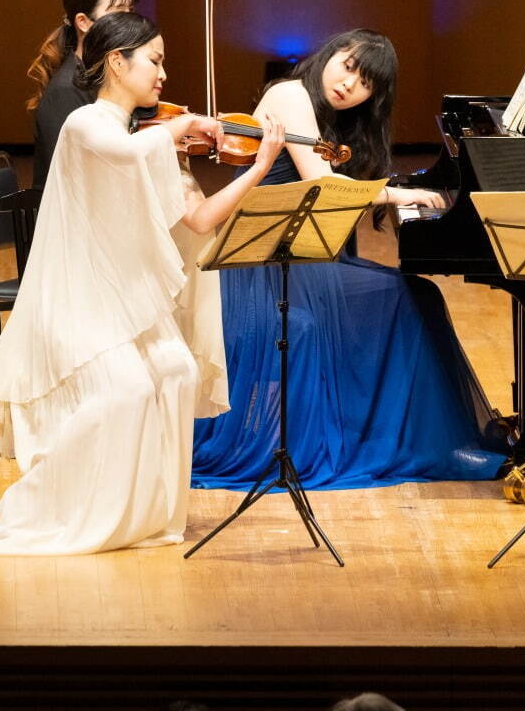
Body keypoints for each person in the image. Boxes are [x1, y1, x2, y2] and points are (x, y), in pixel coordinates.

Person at [0, 12, 285, 555]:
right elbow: (130, 153)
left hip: (120, 299)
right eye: (154, 60)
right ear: (117, 61)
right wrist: (181, 127)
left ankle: (144, 517)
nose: (163, 75)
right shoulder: (88, 124)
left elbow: (201, 219)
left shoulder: (145, 139)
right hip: (76, 303)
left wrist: (258, 168)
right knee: (130, 387)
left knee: (178, 368)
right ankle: (78, 512)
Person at [192, 30, 506, 490]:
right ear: (329, 55)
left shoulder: (329, 119)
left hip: (296, 261)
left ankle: (403, 439)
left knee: (414, 294)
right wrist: (409, 193)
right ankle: (363, 440)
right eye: (348, 65)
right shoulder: (290, 94)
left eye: (365, 83)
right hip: (255, 263)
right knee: (392, 301)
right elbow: (324, 185)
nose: (348, 83)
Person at [27, 0, 139, 186]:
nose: (129, 22)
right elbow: (71, 174)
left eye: (130, 11)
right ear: (84, 22)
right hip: (68, 213)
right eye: (118, 12)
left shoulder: (105, 77)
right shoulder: (66, 89)